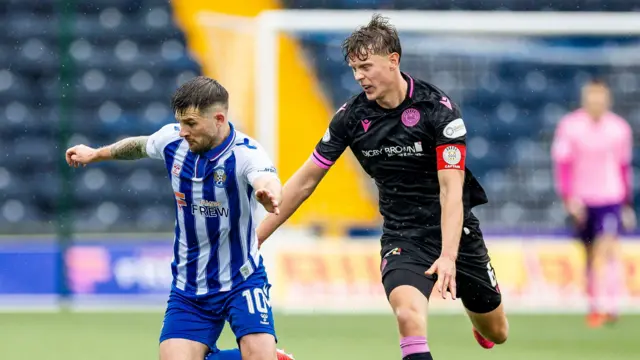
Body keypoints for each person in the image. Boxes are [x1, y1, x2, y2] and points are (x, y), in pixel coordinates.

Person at [257, 14, 508, 360]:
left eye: (366, 66)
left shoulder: (438, 110)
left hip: (455, 231)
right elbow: (304, 183)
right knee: (408, 315)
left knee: (498, 331)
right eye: (354, 69)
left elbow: (452, 190)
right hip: (403, 235)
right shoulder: (350, 118)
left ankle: (477, 318)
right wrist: (254, 238)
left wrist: (449, 256)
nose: (359, 76)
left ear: (393, 61)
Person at [65, 76, 295, 360]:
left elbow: (267, 179)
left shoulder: (246, 153)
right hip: (189, 286)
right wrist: (95, 154)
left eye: (191, 124)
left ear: (219, 119)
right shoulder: (173, 140)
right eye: (181, 122)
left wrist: (268, 193)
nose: (183, 131)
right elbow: (139, 145)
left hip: (241, 280)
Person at [551, 79, 635, 328]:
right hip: (583, 199)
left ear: (607, 100)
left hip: (610, 197)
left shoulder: (619, 128)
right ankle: (594, 304)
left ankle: (611, 305)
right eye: (592, 98)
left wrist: (627, 204)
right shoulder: (570, 126)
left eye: (600, 98)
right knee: (589, 254)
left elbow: (623, 167)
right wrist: (568, 198)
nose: (596, 102)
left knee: (607, 249)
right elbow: (563, 164)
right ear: (585, 99)